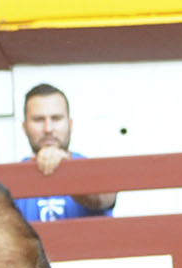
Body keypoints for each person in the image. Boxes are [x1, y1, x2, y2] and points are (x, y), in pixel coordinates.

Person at [16, 83, 116, 218]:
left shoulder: (90, 167)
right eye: (38, 120)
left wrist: (67, 169)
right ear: (24, 127)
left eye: (56, 118)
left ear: (70, 124)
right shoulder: (13, 179)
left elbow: (105, 198)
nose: (48, 129)